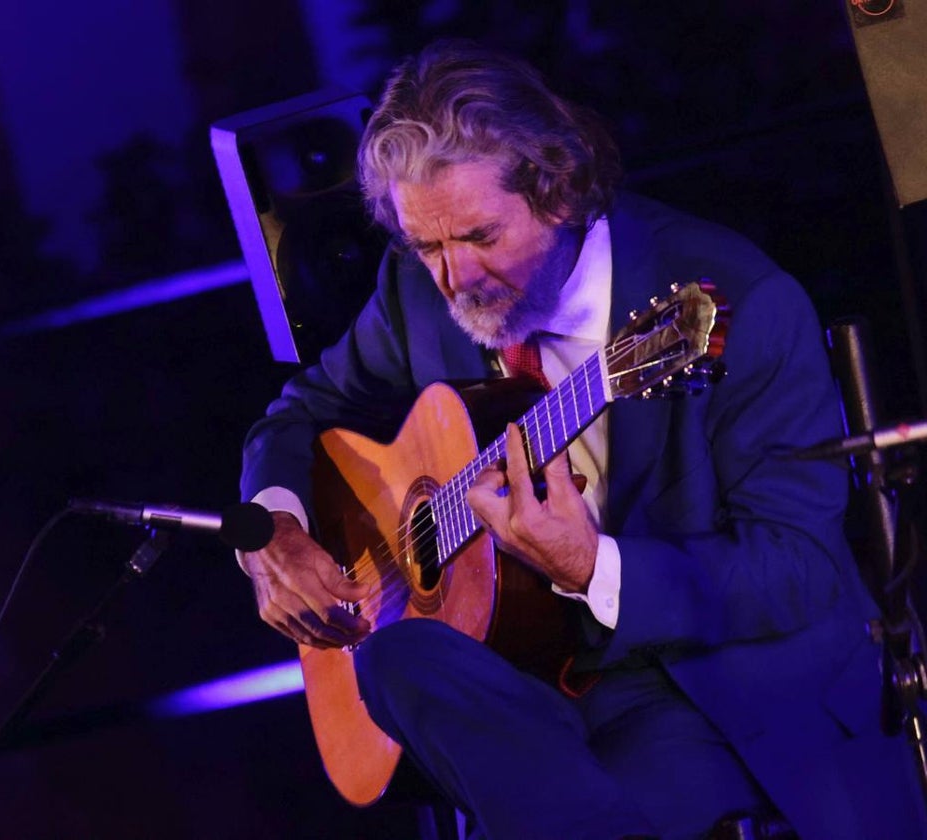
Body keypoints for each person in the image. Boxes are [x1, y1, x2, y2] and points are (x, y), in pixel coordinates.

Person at [238, 40, 925, 839]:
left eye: (481, 237)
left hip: (706, 681)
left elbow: (796, 573)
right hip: (533, 680)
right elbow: (297, 413)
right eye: (428, 248)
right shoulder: (413, 294)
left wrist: (592, 565)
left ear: (559, 191)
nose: (455, 279)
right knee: (392, 661)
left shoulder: (745, 303)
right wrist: (277, 526)